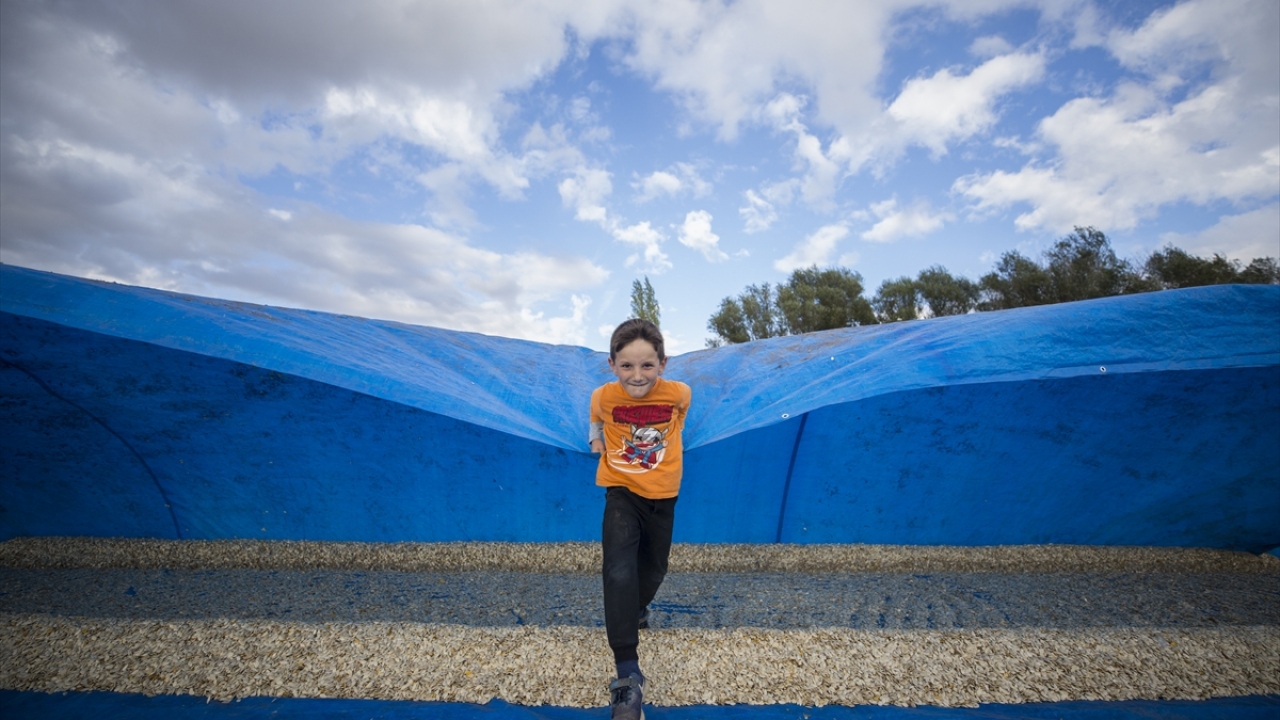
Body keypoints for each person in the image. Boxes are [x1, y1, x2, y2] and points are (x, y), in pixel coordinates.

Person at [589, 318, 691, 720]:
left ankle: (635, 610)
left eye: (647, 365)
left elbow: (681, 412)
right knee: (617, 571)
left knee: (655, 569)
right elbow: (596, 413)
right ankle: (627, 676)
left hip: (664, 495)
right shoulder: (604, 395)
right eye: (627, 366)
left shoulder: (679, 393)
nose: (637, 375)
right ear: (612, 365)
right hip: (620, 490)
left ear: (663, 364)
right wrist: (595, 436)